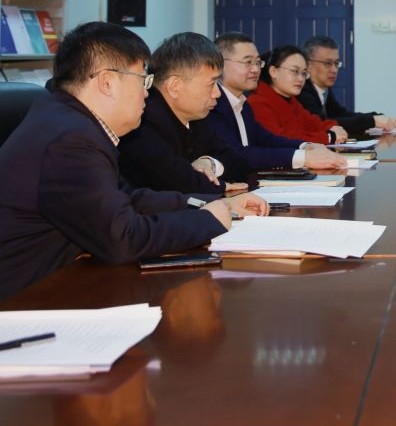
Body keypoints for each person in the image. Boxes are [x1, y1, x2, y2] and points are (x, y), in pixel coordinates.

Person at [0, 22, 267, 299]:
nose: (147, 93)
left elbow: (129, 198)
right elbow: (122, 238)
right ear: (107, 82)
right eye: (143, 80)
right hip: (23, 299)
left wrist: (215, 204)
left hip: (56, 279)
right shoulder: (71, 139)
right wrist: (208, 221)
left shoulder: (68, 121)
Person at [118, 33, 251, 194]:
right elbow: (178, 182)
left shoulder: (196, 119)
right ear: (175, 86)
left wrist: (209, 163)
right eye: (211, 84)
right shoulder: (142, 121)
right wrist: (219, 186)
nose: (217, 93)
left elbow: (240, 163)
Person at [208, 33, 346, 171]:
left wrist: (305, 146)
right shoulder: (212, 105)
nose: (255, 69)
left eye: (257, 62)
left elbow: (266, 139)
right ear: (221, 64)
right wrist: (303, 157)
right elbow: (237, 154)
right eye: (248, 62)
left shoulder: (243, 105)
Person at [299, 35, 396, 134]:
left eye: (336, 63)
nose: (334, 70)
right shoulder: (302, 91)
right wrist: (373, 121)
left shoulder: (323, 89)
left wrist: (378, 117)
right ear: (308, 64)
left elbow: (341, 115)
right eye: (328, 63)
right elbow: (323, 124)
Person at [248, 45, 348, 145]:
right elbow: (280, 139)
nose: (301, 79)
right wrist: (328, 137)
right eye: (294, 71)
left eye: (304, 73)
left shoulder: (291, 100)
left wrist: (333, 127)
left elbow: (313, 123)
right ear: (273, 71)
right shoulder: (258, 102)